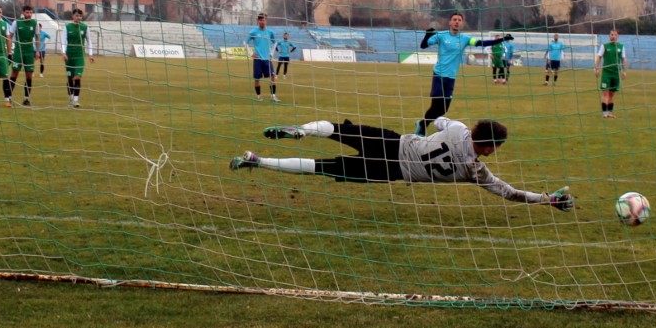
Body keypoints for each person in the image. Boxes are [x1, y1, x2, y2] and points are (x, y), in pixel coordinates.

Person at [229, 116, 574, 209]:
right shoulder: (475, 171)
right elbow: (509, 193)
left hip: (393, 141)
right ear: (490, 147)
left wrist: (428, 128)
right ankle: (258, 161)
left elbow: (439, 119)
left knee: (338, 129)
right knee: (322, 167)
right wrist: (546, 199)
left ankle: (301, 129)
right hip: (391, 171)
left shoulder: (456, 130)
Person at [417, 13, 509, 134]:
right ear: (450, 22)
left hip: (451, 77)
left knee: (443, 109)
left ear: (462, 23)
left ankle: (422, 123)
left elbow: (482, 43)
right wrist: (427, 35)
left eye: (459, 20)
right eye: (454, 19)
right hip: (439, 75)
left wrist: (503, 39)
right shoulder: (441, 36)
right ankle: (422, 126)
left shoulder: (464, 39)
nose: (457, 22)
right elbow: (423, 45)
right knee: (436, 106)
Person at [9, 5, 40, 107]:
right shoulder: (16, 22)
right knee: (14, 73)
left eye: (31, 12)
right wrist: (10, 50)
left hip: (29, 51)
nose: (29, 14)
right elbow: (10, 36)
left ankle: (26, 99)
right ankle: (8, 97)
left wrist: (37, 51)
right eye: (27, 12)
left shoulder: (34, 23)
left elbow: (37, 37)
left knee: (29, 75)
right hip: (18, 51)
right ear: (23, 13)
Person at [63, 8, 94, 108]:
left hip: (79, 56)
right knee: (70, 79)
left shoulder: (85, 27)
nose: (78, 17)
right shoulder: (67, 27)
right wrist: (63, 53)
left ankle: (76, 100)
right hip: (69, 56)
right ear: (73, 16)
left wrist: (90, 54)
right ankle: (71, 97)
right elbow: (63, 41)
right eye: (76, 15)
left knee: (77, 77)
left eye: (80, 16)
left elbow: (89, 41)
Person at [246, 13, 280, 102]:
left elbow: (275, 43)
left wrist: (272, 54)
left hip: (267, 59)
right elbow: (245, 42)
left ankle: (273, 96)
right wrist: (251, 53)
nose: (262, 21)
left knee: (272, 76)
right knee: (257, 79)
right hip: (258, 59)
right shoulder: (253, 32)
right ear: (258, 21)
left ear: (266, 20)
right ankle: (259, 96)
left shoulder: (270, 32)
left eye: (264, 20)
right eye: (260, 20)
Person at [594, 29, 628, 118]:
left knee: (612, 95)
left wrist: (624, 71)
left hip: (616, 74)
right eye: (611, 35)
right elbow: (599, 57)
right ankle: (604, 113)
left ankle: (610, 113)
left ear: (618, 36)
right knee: (605, 93)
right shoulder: (604, 46)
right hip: (606, 73)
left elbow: (624, 59)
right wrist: (597, 68)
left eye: (615, 35)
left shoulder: (621, 47)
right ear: (609, 36)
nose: (613, 36)